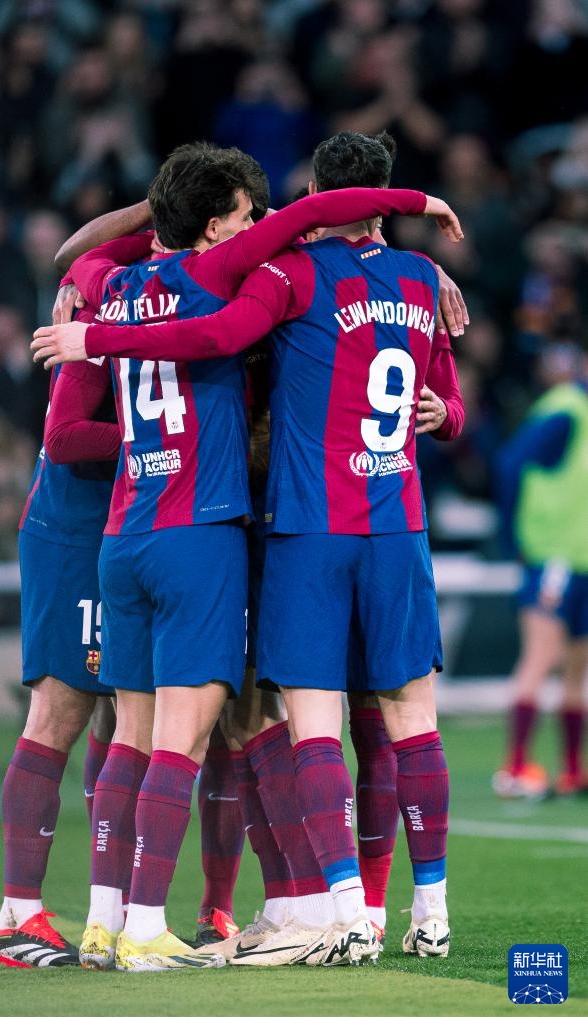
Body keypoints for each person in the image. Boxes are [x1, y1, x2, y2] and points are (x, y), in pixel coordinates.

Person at [32, 131, 463, 963]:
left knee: (149, 734)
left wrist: (96, 330)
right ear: (214, 224)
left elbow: (76, 259)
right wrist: (421, 209)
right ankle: (341, 911)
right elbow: (227, 324)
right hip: (264, 527)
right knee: (278, 730)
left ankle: (118, 918)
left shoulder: (115, 284)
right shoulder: (270, 271)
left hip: (154, 528)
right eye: (243, 213)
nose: (258, 221)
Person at [0, 204, 154, 969]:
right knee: (60, 709)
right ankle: (17, 917)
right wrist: (158, 438)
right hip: (73, 530)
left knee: (119, 715)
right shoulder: (104, 303)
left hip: (124, 528)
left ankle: (104, 912)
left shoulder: (168, 296)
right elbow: (63, 438)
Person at [493, 341, 588, 799]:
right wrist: (513, 537)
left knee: (577, 669)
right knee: (541, 656)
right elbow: (510, 463)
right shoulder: (564, 410)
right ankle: (515, 767)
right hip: (554, 555)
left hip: (580, 556)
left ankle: (571, 771)